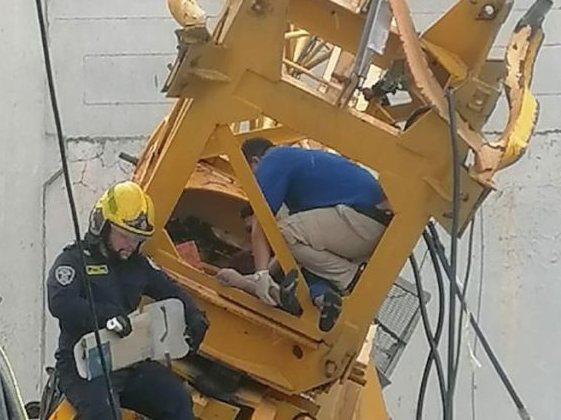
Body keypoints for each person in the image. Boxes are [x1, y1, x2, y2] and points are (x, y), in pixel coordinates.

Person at [47, 181, 209, 420]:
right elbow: (60, 302)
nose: (130, 245)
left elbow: (170, 290)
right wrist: (108, 316)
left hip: (127, 360)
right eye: (124, 236)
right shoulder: (74, 261)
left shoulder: (138, 266)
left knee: (178, 401)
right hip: (83, 366)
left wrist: (194, 315)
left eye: (137, 239)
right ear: (103, 226)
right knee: (105, 414)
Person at [239, 137, 392, 331]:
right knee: (308, 260)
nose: (254, 182)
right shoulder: (306, 175)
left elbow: (262, 220)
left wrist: (260, 274)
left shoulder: (275, 157)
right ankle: (324, 299)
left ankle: (349, 276)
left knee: (284, 233)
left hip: (361, 220)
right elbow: (288, 255)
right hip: (369, 230)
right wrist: (261, 277)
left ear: (254, 161)